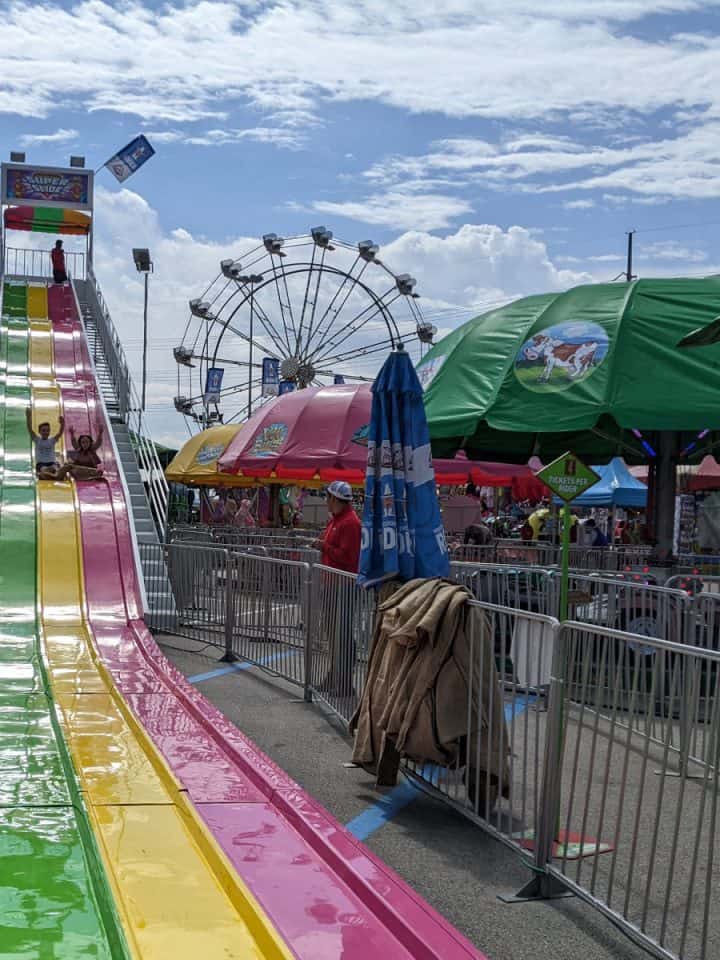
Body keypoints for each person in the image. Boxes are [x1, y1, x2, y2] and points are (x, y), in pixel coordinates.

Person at [313, 481, 361, 699]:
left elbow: (348, 557)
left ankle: (343, 681)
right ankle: (335, 677)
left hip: (342, 586)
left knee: (340, 634)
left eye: (328, 498)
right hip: (333, 583)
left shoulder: (350, 523)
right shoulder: (338, 521)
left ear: (335, 499)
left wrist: (324, 547)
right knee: (334, 634)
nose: (326, 502)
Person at [26, 408, 64, 479]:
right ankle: (50, 474)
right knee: (44, 469)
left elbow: (60, 433)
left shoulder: (52, 440)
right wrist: (28, 417)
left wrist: (62, 424)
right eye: (43, 430)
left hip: (52, 463)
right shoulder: (37, 440)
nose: (46, 432)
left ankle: (50, 473)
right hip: (41, 464)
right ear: (39, 432)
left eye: (47, 430)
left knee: (54, 467)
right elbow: (30, 429)